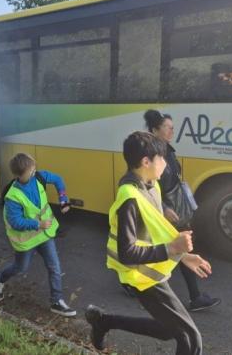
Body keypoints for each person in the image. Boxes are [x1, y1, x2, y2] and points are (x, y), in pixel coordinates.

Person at [85, 132, 212, 354]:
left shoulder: (151, 186)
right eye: (162, 159)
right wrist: (173, 249)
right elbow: (127, 253)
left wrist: (183, 256)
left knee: (167, 330)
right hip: (142, 277)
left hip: (151, 272)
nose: (166, 164)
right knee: (190, 338)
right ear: (146, 162)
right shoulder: (129, 198)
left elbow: (156, 231)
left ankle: (103, 321)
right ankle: (102, 321)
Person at [143, 110, 220, 312]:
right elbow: (148, 184)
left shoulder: (169, 150)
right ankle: (194, 297)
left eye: (172, 127)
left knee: (177, 246)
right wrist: (165, 208)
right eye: (167, 128)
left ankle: (194, 296)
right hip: (164, 209)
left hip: (174, 208)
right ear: (154, 130)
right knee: (176, 246)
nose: (171, 131)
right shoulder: (151, 154)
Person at [0, 153, 76, 317]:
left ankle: (56, 301)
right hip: (27, 240)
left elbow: (58, 179)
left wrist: (63, 199)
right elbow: (16, 222)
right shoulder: (12, 196)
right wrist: (38, 224)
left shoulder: (39, 177)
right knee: (20, 268)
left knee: (54, 267)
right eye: (31, 170)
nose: (34, 171)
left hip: (44, 235)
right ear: (19, 175)